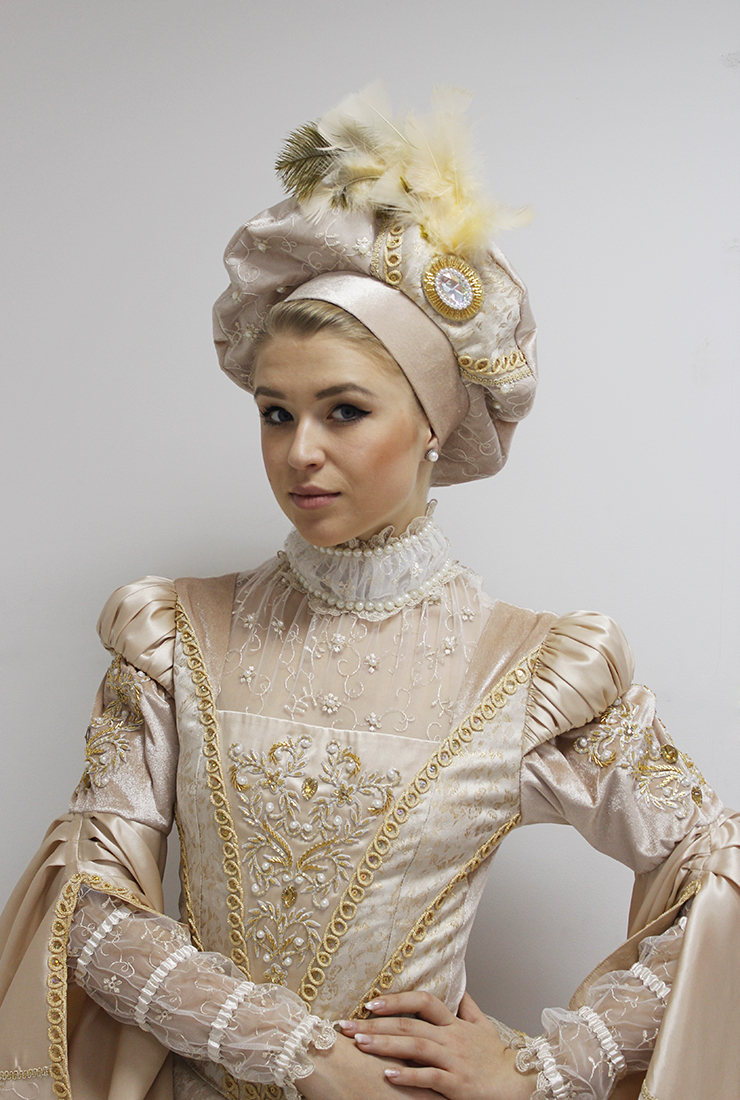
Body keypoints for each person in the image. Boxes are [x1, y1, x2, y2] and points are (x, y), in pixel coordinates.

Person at [0, 85, 737, 1100]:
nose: (299, 451)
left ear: (433, 421)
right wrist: (304, 1053)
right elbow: (88, 906)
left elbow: (718, 869)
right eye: (275, 412)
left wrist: (547, 1065)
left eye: (343, 410)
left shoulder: (528, 672)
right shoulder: (175, 634)